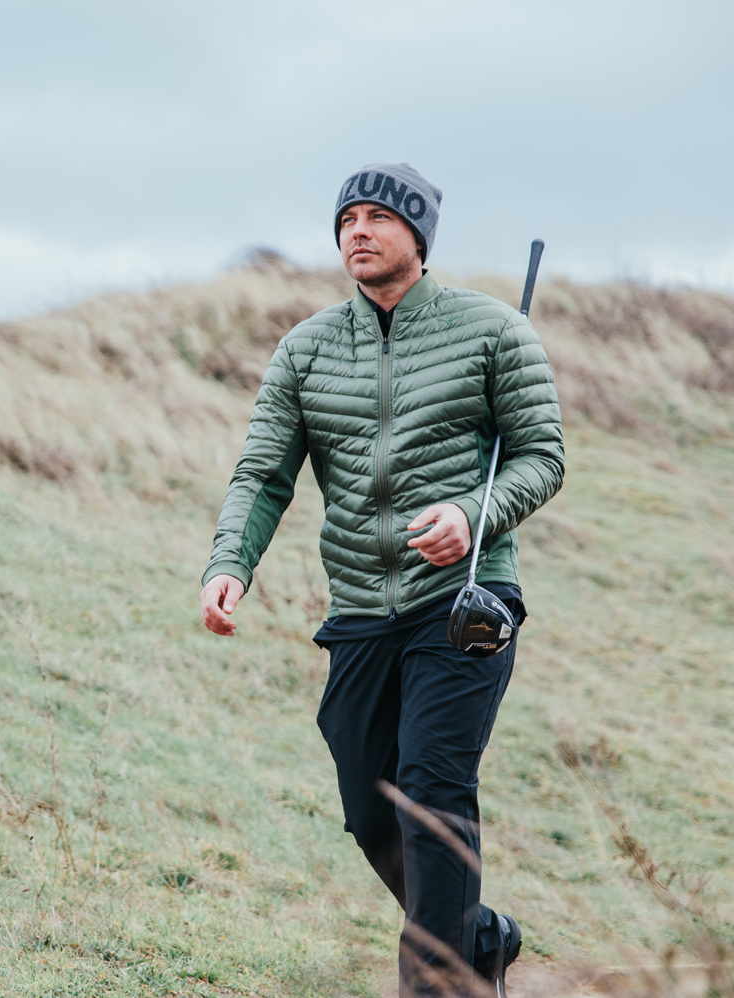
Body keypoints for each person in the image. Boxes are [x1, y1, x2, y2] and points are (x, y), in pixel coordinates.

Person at [199, 162, 563, 996]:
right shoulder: (306, 349)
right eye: (347, 219)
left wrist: (474, 515)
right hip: (362, 610)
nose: (357, 230)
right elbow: (262, 475)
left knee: (435, 792)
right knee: (373, 811)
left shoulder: (493, 332)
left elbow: (544, 457)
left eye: (378, 217)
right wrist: (231, 565)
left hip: (463, 602)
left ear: (419, 236)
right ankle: (477, 937)